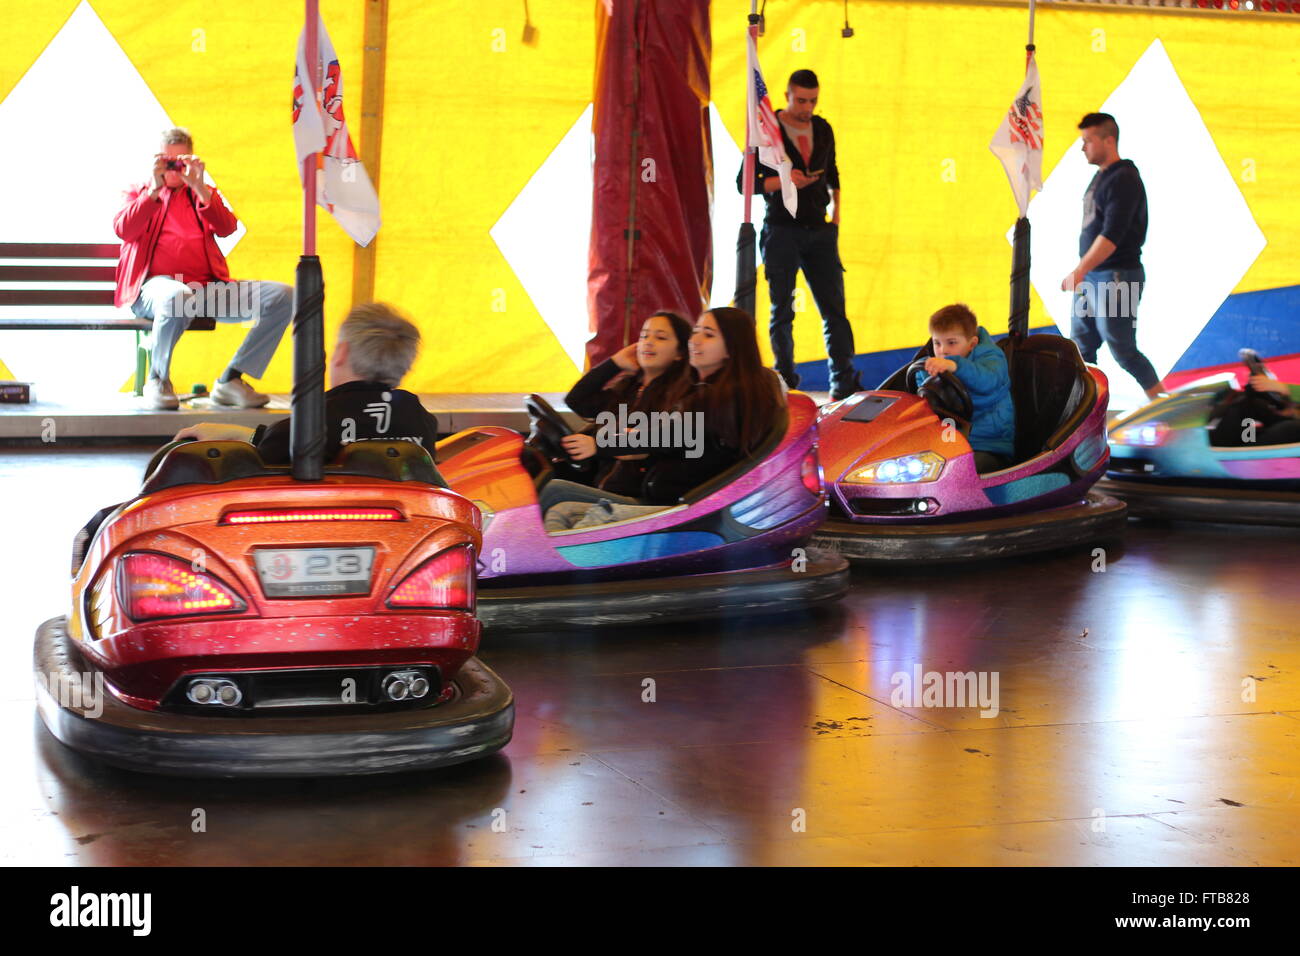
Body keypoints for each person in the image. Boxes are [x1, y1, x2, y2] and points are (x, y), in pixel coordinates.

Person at [542, 307, 785, 530]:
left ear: (732, 348)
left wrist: (601, 444)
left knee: (560, 502)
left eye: (708, 335)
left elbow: (668, 435)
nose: (695, 340)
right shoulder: (694, 391)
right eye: (696, 332)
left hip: (684, 509)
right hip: (664, 496)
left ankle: (544, 572)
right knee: (560, 508)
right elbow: (581, 401)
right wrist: (614, 365)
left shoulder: (723, 397)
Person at [114, 127, 294, 410]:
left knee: (283, 295)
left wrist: (198, 187)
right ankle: (158, 380)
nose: (174, 168)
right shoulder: (139, 191)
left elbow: (227, 228)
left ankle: (231, 380)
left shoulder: (203, 192)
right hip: (155, 290)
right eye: (167, 161)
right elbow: (124, 229)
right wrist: (152, 191)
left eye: (180, 161)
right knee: (177, 296)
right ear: (157, 161)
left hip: (205, 290)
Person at [172, 302, 440, 468]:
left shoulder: (313, 418)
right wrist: (246, 434)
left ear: (341, 353)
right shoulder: (418, 417)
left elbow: (276, 450)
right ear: (405, 365)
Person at [738, 69, 861, 401]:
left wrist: (837, 215)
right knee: (783, 311)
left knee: (834, 309)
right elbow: (744, 185)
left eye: (813, 101)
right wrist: (784, 179)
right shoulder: (766, 129)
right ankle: (787, 384)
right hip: (781, 228)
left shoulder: (822, 127)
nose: (807, 107)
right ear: (787, 96)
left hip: (820, 228)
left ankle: (843, 385)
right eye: (802, 100)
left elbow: (834, 171)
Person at [1060, 113, 1163, 401]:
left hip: (1117, 275)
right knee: (1080, 348)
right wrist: (1083, 272)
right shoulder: (1100, 178)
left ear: (1109, 140)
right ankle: (1083, 411)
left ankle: (1163, 405)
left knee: (1122, 347)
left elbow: (1112, 237)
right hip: (1092, 276)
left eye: (1088, 141)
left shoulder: (1125, 177)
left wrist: (1080, 270)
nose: (1083, 147)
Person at [561, 310, 695, 499]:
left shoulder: (678, 396)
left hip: (635, 494)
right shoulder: (628, 389)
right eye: (644, 335)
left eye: (661, 337)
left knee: (554, 492)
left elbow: (651, 443)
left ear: (680, 353)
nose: (648, 342)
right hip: (603, 486)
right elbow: (577, 400)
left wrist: (599, 445)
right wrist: (614, 363)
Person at [913, 304, 1015, 473]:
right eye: (937, 343)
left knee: (957, 474)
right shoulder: (935, 362)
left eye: (951, 343)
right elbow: (923, 393)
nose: (943, 350)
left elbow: (987, 381)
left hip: (988, 446)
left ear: (972, 343)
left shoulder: (992, 358)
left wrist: (955, 365)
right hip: (949, 442)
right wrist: (927, 377)